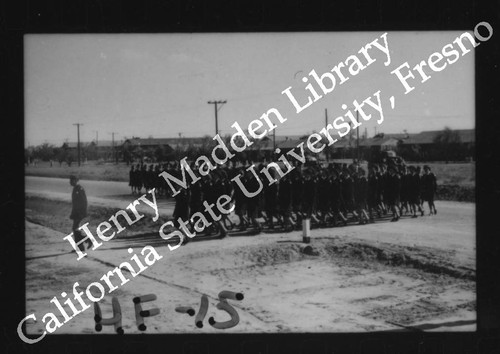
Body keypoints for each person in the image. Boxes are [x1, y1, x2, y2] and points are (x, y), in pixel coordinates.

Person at [69, 175, 89, 251]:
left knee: (75, 228)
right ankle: (80, 247)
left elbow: (84, 202)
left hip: (79, 212)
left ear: (76, 181)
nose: (70, 182)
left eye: (72, 181)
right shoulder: (76, 188)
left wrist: (81, 213)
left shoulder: (79, 189)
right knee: (75, 228)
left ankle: (86, 240)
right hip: (76, 212)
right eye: (70, 181)